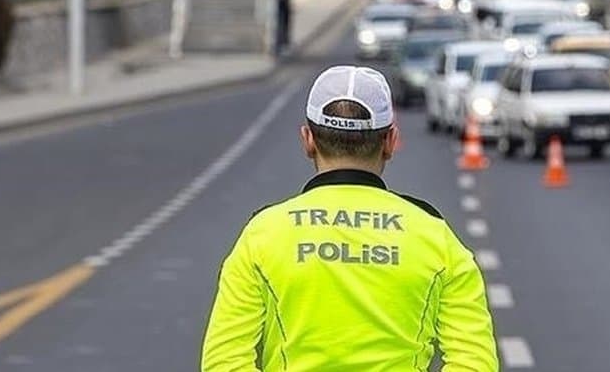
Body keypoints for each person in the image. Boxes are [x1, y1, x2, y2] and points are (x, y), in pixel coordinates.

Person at [201, 65, 498, 371]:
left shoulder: (262, 234)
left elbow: (224, 362)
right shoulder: (436, 237)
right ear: (390, 142)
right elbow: (474, 362)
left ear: (308, 140)